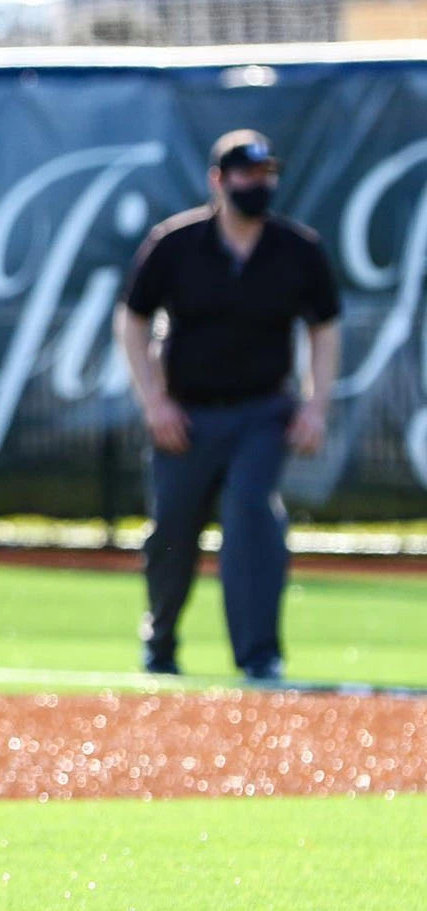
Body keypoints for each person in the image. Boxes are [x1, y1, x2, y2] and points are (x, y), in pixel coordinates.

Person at [115, 130, 342, 682]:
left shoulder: (297, 249)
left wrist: (316, 405)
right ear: (218, 180)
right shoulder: (176, 244)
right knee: (173, 530)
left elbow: (325, 326)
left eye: (266, 174)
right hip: (187, 416)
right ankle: (161, 639)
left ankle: (258, 655)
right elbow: (132, 320)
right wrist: (155, 402)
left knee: (251, 513)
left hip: (262, 412)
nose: (257, 184)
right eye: (246, 173)